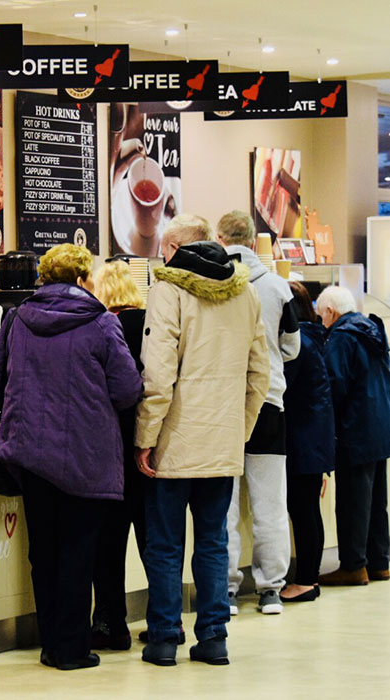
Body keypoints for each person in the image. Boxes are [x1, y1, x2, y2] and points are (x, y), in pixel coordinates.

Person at [0, 244, 142, 671]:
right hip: (88, 456)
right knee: (79, 552)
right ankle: (73, 649)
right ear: (83, 279)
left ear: (43, 278)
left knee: (42, 552)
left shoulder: (17, 319)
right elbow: (127, 389)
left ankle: (49, 642)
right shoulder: (101, 323)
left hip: (31, 456)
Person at [135, 214, 270, 666]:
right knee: (213, 541)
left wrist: (145, 437)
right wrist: (240, 429)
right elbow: (260, 373)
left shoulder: (168, 290)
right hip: (222, 442)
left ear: (172, 249)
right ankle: (213, 638)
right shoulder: (245, 291)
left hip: (174, 442)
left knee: (165, 544)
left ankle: (163, 639)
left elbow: (157, 375)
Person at [216, 209, 300, 615]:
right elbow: (292, 348)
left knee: (225, 505)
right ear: (253, 242)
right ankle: (271, 588)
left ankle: (227, 590)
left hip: (225, 405)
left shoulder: (211, 283)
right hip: (268, 403)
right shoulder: (279, 288)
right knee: (270, 502)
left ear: (219, 239)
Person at [316, 285, 390, 586]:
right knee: (375, 500)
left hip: (354, 427)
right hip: (379, 425)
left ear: (330, 312)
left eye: (321, 316)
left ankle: (353, 565)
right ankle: (380, 561)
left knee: (352, 500)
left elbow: (334, 384)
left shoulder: (342, 337)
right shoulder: (372, 330)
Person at [91, 258, 147, 650]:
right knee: (155, 542)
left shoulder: (99, 328)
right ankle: (166, 620)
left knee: (108, 546)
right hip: (149, 449)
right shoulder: (151, 325)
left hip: (109, 451)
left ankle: (112, 624)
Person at [280, 282, 335, 603]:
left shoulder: (298, 343)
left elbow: (283, 386)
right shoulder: (316, 336)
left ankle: (305, 580)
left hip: (303, 438)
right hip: (316, 437)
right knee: (308, 509)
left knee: (302, 510)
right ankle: (309, 577)